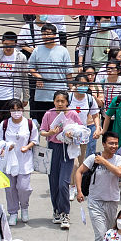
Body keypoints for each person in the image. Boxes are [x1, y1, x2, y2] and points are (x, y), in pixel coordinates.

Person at [74, 131, 121, 241]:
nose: (114, 146)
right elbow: (79, 172)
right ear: (103, 144)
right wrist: (79, 191)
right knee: (101, 233)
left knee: (111, 233)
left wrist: (104, 162)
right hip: (95, 201)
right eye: (111, 143)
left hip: (112, 202)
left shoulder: (118, 159)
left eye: (116, 143)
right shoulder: (93, 158)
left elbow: (119, 172)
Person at [0, 99, 39, 226]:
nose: (16, 112)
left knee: (24, 187)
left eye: (18, 110)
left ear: (22, 110)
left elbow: (35, 140)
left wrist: (27, 147)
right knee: (10, 189)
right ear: (10, 111)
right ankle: (13, 212)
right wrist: (6, 146)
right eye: (13, 110)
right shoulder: (4, 124)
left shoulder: (29, 124)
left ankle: (24, 207)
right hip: (9, 162)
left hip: (24, 161)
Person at [40, 91, 78, 229]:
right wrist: (50, 133)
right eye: (57, 101)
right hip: (53, 148)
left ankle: (65, 213)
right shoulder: (48, 114)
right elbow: (42, 131)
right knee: (54, 182)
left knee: (64, 183)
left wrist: (72, 134)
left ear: (67, 102)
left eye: (63, 101)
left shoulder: (73, 114)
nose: (60, 104)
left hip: (67, 150)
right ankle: (56, 210)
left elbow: (81, 131)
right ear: (54, 102)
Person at [0, 31, 27, 134]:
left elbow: (24, 78)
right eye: (6, 44)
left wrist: (26, 97)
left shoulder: (21, 57)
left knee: (11, 123)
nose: (8, 48)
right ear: (2, 42)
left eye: (11, 45)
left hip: (12, 98)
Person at [29, 24, 74, 122]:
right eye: (44, 34)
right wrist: (38, 76)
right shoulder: (37, 50)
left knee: (61, 125)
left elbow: (68, 73)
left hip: (60, 97)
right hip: (42, 96)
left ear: (55, 35)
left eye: (48, 34)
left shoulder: (63, 50)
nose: (46, 36)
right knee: (44, 126)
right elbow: (30, 68)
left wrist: (71, 89)